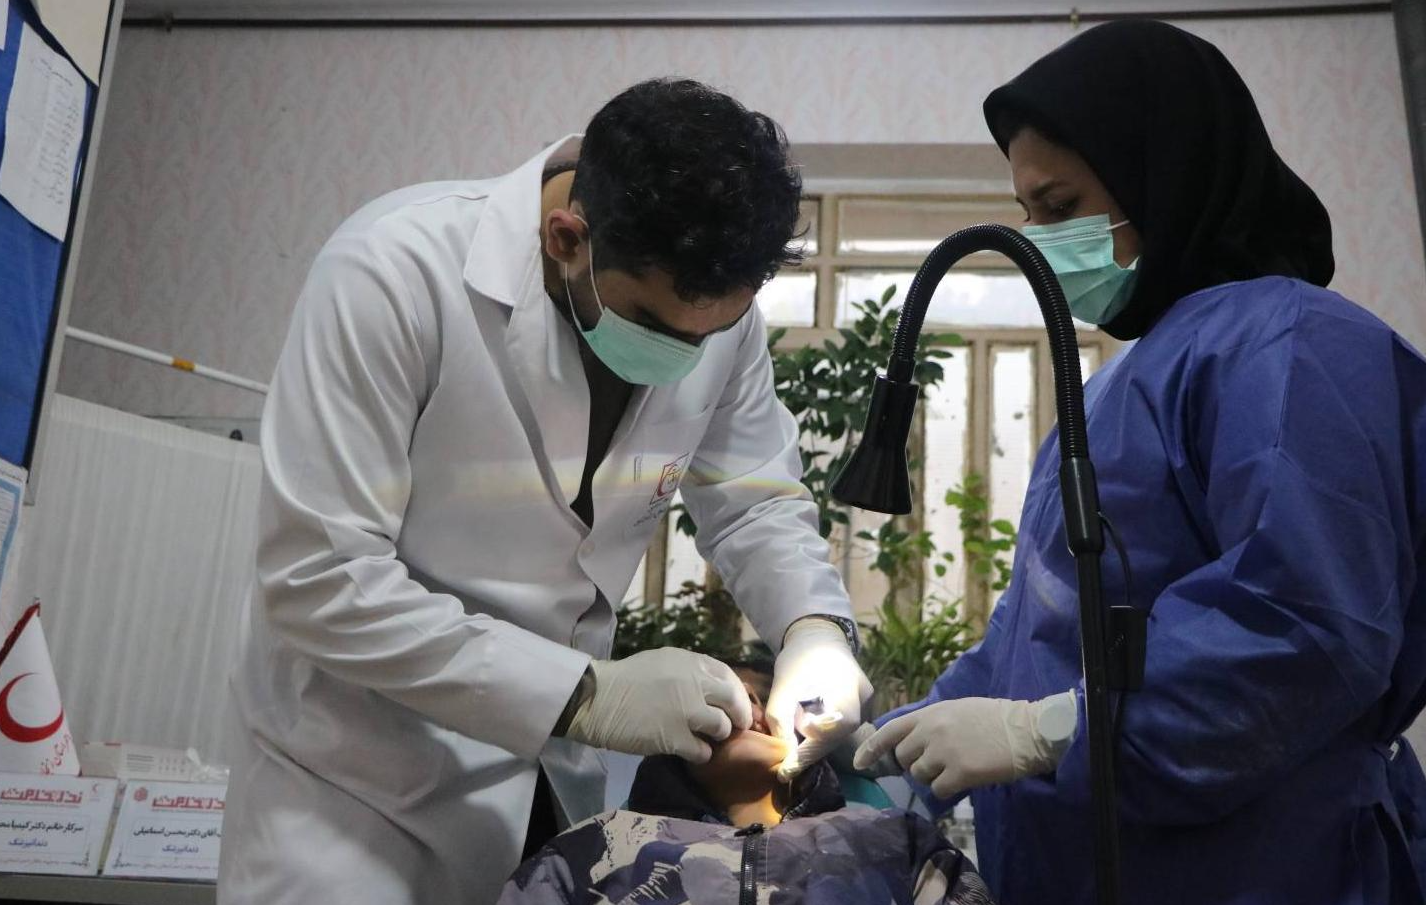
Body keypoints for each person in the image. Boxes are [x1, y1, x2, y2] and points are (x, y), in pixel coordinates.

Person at [217, 78, 870, 905]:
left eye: (715, 331)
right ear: (568, 238)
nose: (691, 353)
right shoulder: (392, 273)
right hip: (357, 789)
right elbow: (319, 578)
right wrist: (586, 693)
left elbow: (756, 501)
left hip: (548, 792)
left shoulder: (714, 319)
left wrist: (814, 627)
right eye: (658, 327)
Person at [849, 19, 1426, 905]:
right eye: (1027, 212)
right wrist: (886, 743)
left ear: (1167, 173)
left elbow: (1305, 627)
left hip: (1259, 870)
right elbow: (1034, 641)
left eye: (1060, 206)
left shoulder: (1290, 345)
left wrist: (1053, 731)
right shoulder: (1124, 384)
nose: (1037, 241)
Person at [500, 683, 993, 905]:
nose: (753, 705)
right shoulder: (589, 851)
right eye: (725, 698)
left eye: (763, 696)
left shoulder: (893, 839)